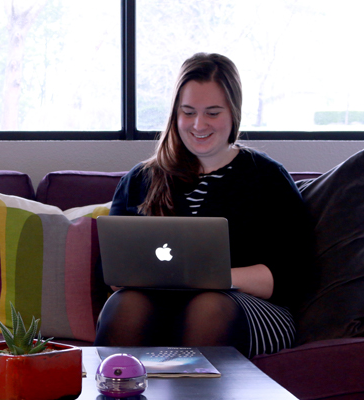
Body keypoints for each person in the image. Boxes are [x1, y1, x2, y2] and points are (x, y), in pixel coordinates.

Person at [93, 53, 312, 358]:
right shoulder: (141, 179)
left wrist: (216, 278)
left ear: (233, 112)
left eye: (212, 112)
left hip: (245, 309)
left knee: (208, 305)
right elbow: (110, 272)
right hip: (159, 305)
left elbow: (295, 273)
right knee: (125, 304)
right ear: (175, 114)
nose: (198, 125)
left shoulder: (267, 178)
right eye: (188, 112)